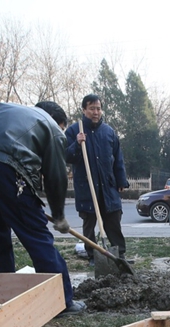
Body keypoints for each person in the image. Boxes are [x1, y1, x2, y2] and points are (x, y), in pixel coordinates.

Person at [0, 101, 85, 316]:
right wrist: (59, 216)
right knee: (36, 236)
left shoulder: (2, 109)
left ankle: (5, 296)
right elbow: (56, 176)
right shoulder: (51, 127)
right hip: (5, 168)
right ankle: (61, 300)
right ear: (57, 120)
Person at [65, 94, 130, 261]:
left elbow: (118, 158)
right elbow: (66, 156)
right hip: (87, 186)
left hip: (108, 186)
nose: (96, 112)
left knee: (113, 220)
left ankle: (119, 254)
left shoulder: (109, 132)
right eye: (92, 108)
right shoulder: (73, 131)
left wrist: (121, 180)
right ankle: (93, 255)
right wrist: (77, 145)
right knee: (89, 222)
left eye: (98, 108)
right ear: (84, 110)